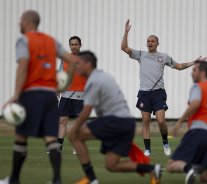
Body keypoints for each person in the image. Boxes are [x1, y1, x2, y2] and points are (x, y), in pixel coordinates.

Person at [0, 10, 76, 184]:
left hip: (31, 94)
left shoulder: (24, 40)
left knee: (21, 137)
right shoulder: (51, 41)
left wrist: (16, 95)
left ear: (27, 22)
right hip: (50, 96)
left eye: (20, 21)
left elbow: (23, 67)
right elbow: (72, 61)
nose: (19, 23)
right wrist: (64, 84)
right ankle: (56, 180)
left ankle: (14, 179)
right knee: (51, 138)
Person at [68, 51, 162, 184]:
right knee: (111, 165)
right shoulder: (102, 76)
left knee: (75, 135)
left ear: (88, 64)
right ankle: (152, 169)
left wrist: (74, 128)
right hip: (126, 123)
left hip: (115, 121)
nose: (76, 66)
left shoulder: (94, 80)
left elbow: (86, 111)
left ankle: (91, 178)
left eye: (78, 63)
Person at [121, 19, 207, 156]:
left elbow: (179, 66)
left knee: (161, 120)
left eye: (152, 41)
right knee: (145, 120)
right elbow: (124, 48)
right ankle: (147, 149)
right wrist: (126, 33)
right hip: (144, 93)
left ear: (157, 43)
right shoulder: (141, 55)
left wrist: (195, 62)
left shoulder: (164, 57)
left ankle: (165, 142)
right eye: (148, 41)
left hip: (158, 93)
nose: (150, 43)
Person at [57, 36, 86, 154]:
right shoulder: (65, 59)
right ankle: (59, 147)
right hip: (66, 94)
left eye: (76, 44)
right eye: (72, 44)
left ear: (80, 45)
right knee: (62, 120)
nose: (74, 46)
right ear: (69, 45)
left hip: (81, 95)